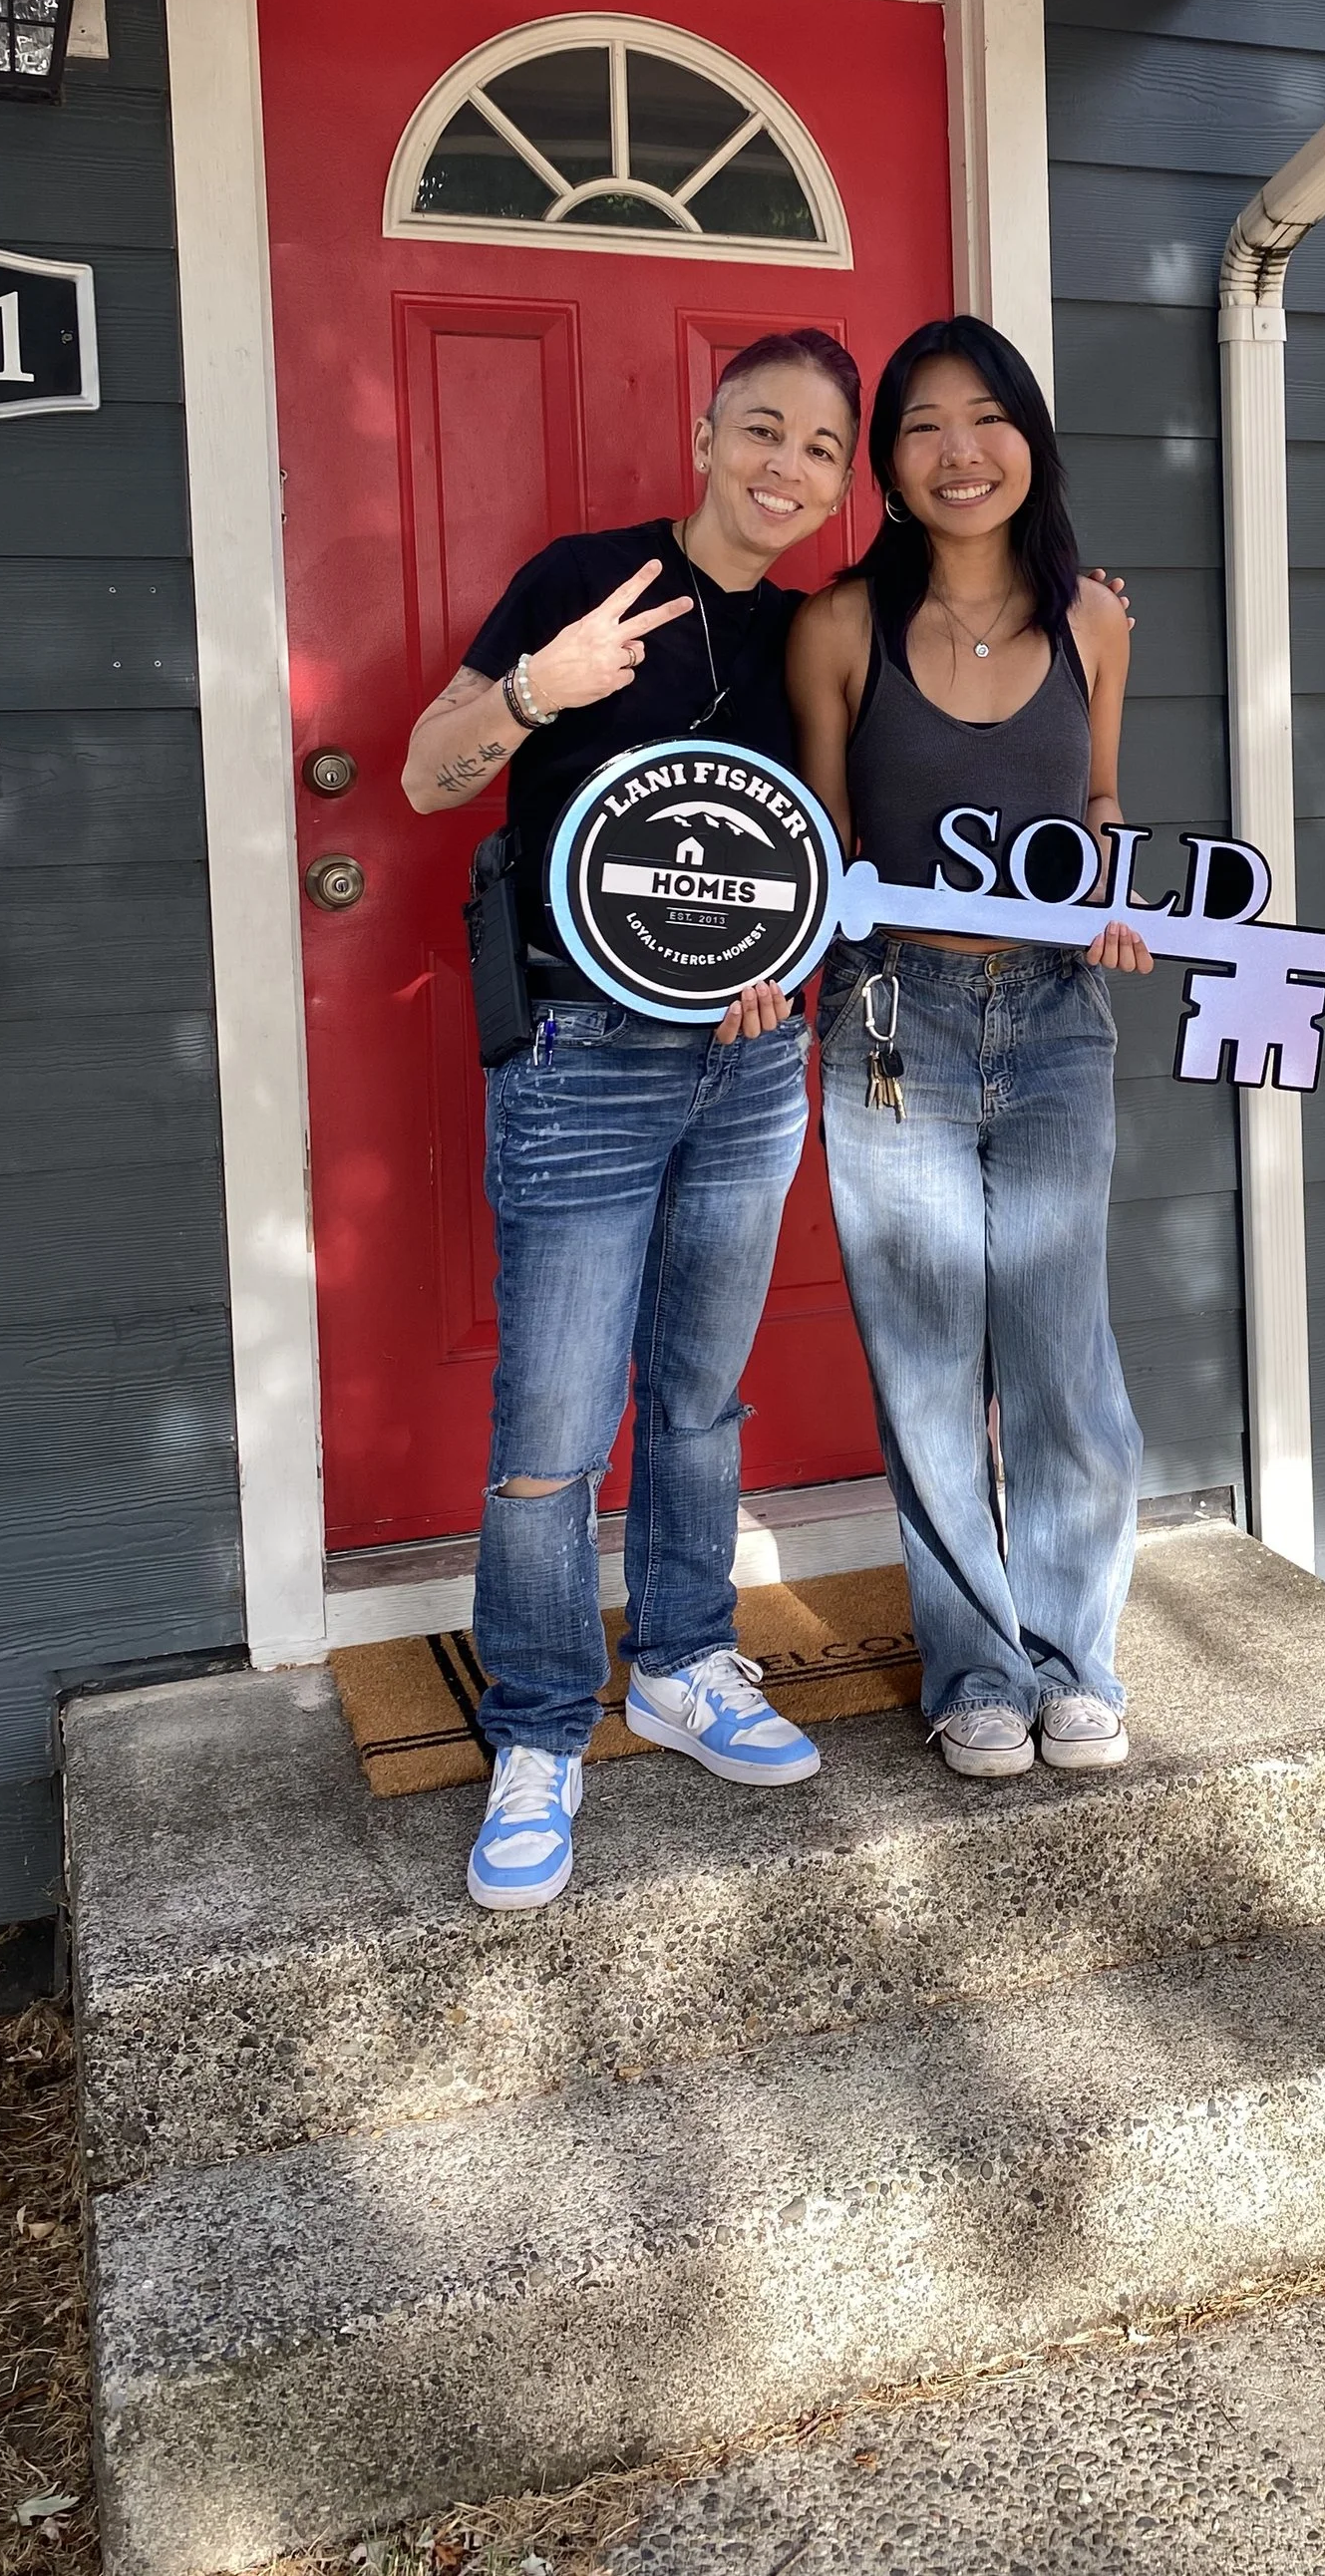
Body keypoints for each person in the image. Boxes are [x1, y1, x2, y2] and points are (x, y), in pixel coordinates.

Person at [400, 329, 860, 1911]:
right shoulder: (585, 581)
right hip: (585, 1055)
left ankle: (681, 1659)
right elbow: (419, 776)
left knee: (699, 1400)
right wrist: (540, 688)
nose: (785, 467)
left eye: (818, 446)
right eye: (762, 430)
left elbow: (821, 848)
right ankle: (536, 1727)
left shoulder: (816, 632)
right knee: (549, 1431)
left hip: (746, 1069)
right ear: (705, 431)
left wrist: (787, 955)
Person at [789, 314, 1152, 1782]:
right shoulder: (840, 627)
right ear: (886, 462)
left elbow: (1106, 799)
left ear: (1030, 442)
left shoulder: (1099, 621)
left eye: (987, 416)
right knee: (930, 1365)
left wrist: (1116, 894)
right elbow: (824, 850)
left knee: (1064, 1361)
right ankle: (976, 1671)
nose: (959, 451)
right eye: (923, 424)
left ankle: (1078, 1659)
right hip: (893, 1022)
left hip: (1059, 1021)